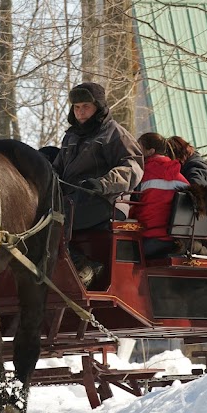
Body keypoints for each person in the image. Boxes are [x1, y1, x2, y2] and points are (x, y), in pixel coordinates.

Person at [53, 82, 144, 285]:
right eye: (76, 107)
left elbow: (133, 167)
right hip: (74, 200)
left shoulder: (114, 133)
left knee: (52, 222)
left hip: (105, 201)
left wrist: (102, 183)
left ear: (99, 107)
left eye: (86, 106)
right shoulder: (71, 136)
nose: (80, 112)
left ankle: (85, 266)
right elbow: (57, 168)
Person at [131, 132, 189, 258]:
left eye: (138, 148)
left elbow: (132, 210)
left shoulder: (140, 175)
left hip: (148, 238)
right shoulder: (183, 180)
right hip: (177, 243)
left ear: (150, 151)